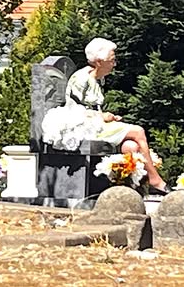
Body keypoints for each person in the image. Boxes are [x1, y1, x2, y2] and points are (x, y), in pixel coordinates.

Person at [64, 37, 170, 195]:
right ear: (99, 61)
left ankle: (134, 188)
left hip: (97, 124)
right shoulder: (81, 79)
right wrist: (101, 116)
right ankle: (155, 180)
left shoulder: (99, 79)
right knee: (138, 131)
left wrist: (108, 117)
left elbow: (95, 107)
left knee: (131, 146)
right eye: (112, 60)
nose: (114, 64)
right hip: (81, 127)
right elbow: (74, 110)